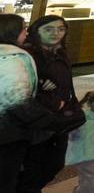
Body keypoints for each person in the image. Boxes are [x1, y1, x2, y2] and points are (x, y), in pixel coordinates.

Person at [18, 15, 80, 193]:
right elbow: (24, 87)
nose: (56, 33)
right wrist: (51, 99)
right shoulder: (30, 54)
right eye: (48, 29)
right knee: (34, 166)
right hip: (39, 118)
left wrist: (68, 104)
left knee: (54, 163)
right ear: (36, 31)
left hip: (58, 117)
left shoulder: (59, 52)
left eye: (60, 29)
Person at [1, 14, 37, 191]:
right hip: (9, 132)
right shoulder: (13, 57)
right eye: (24, 29)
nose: (26, 33)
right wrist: (54, 121)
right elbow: (18, 101)